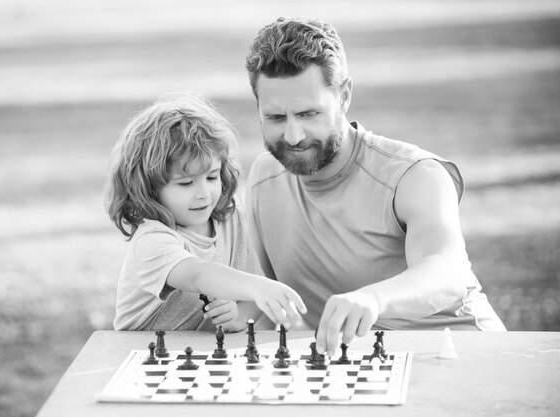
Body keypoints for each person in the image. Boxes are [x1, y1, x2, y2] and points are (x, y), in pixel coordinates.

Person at [244, 17, 506, 356]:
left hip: (464, 356)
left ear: (344, 96)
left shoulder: (414, 175)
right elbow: (259, 302)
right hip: (357, 373)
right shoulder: (264, 177)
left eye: (309, 114)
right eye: (276, 118)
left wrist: (373, 298)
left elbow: (447, 272)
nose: (293, 137)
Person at [105, 91, 306, 332]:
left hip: (200, 359)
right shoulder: (152, 240)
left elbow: (252, 297)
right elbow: (197, 275)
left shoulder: (229, 220)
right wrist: (259, 287)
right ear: (150, 187)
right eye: (186, 183)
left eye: (212, 177)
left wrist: (238, 316)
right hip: (140, 358)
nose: (204, 193)